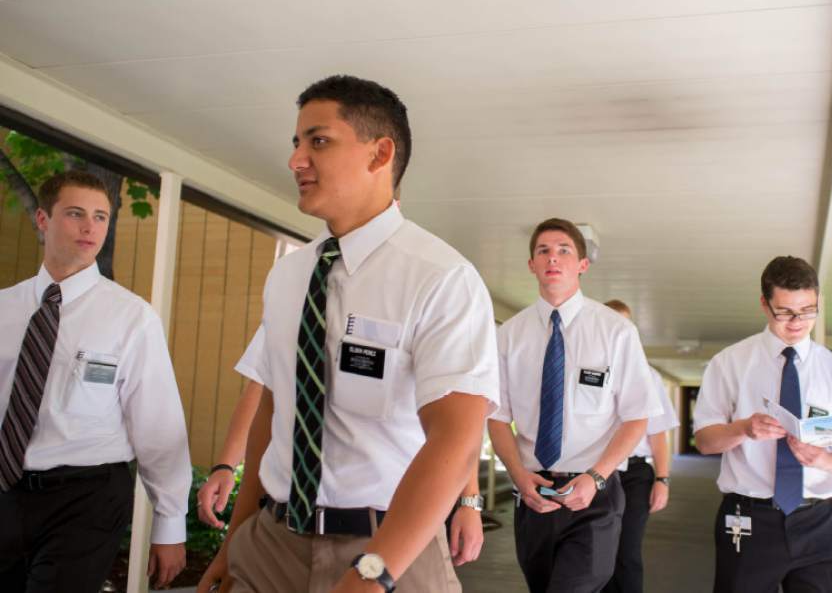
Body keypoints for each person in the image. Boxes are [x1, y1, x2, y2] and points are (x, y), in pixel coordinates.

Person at [197, 74, 499, 593]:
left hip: (389, 550)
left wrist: (372, 574)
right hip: (270, 545)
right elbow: (275, 410)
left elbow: (456, 438)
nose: (296, 160)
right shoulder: (290, 277)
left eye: (319, 141)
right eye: (296, 143)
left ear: (380, 154)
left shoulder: (441, 278)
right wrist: (231, 548)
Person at [0, 170, 192, 592]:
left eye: (101, 216)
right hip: (6, 490)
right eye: (75, 214)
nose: (91, 227)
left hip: (86, 498)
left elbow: (158, 426)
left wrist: (170, 524)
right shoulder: (4, 309)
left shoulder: (132, 318)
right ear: (43, 220)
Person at [488, 218, 662, 592]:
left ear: (583, 265)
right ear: (532, 264)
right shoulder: (508, 336)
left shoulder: (616, 332)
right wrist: (518, 476)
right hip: (533, 494)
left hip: (593, 493)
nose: (553, 258)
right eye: (543, 251)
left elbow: (636, 417)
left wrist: (596, 476)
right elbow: (497, 418)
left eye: (564, 250)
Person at [693, 256, 832, 593]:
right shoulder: (729, 363)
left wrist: (822, 459)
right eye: (785, 311)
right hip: (748, 521)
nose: (797, 321)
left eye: (808, 310)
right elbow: (704, 441)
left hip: (817, 520)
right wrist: (742, 429)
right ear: (764, 304)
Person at [602, 297, 678, 593]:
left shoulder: (649, 375)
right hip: (596, 472)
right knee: (597, 550)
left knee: (626, 551)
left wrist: (662, 479)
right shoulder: (586, 369)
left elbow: (658, 432)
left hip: (634, 475)